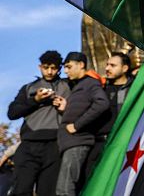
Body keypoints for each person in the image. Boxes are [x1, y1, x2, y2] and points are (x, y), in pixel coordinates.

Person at [7, 50, 70, 196]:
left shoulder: (67, 86)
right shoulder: (29, 88)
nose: (49, 71)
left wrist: (64, 106)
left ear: (59, 69)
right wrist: (36, 100)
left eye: (53, 68)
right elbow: (12, 113)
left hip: (55, 145)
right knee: (21, 189)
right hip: (29, 144)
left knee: (48, 190)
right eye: (46, 67)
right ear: (40, 67)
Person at [54, 51, 109, 196]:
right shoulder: (80, 85)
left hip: (77, 141)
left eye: (69, 66)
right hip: (70, 142)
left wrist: (77, 125)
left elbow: (102, 103)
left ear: (81, 65)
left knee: (65, 188)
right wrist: (65, 108)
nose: (66, 71)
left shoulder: (90, 83)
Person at [85, 52, 134, 176]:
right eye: (107, 65)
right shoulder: (100, 88)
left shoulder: (134, 89)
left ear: (125, 68)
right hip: (99, 143)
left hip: (122, 144)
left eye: (112, 65)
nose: (107, 68)